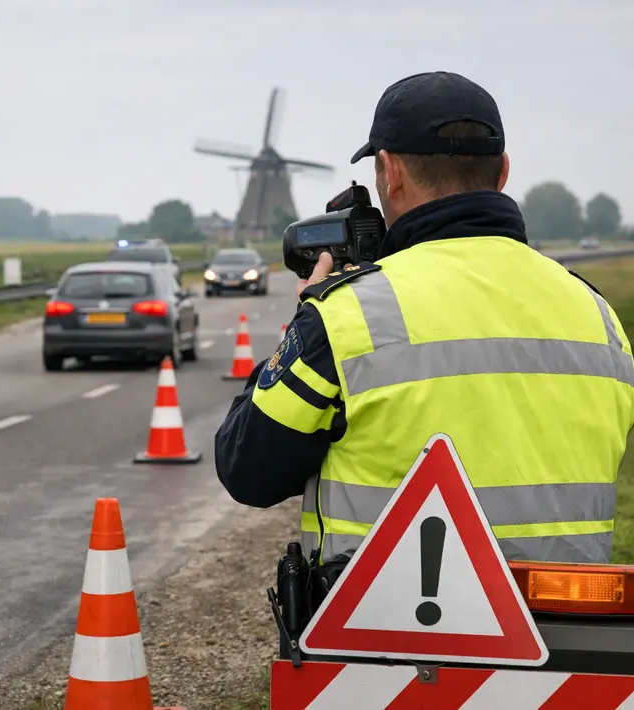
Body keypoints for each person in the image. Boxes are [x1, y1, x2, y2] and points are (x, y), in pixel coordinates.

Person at [214, 71, 634, 566]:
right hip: (566, 630)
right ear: (501, 172)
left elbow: (248, 469)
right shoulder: (598, 314)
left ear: (389, 173)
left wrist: (307, 319)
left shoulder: (347, 315)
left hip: (385, 629)